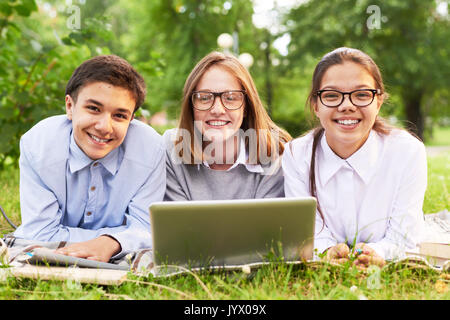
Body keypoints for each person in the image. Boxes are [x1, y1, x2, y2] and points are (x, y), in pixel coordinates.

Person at [11, 55, 166, 263]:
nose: (104, 127)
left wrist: (111, 243)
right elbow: (41, 234)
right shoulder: (38, 146)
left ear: (131, 119)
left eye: (120, 115)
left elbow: (148, 229)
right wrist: (120, 238)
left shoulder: (151, 150)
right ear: (69, 107)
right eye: (94, 108)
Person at [282, 47, 427, 267]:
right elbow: (309, 233)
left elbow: (404, 239)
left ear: (378, 102)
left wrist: (374, 253)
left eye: (361, 94)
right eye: (331, 95)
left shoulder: (407, 152)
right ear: (315, 105)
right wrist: (327, 250)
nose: (347, 106)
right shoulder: (296, 155)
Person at [164, 51, 291, 201]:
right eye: (204, 98)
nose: (217, 110)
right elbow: (179, 222)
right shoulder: (170, 147)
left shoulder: (275, 153)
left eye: (230, 98)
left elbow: (265, 222)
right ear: (191, 107)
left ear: (247, 107)